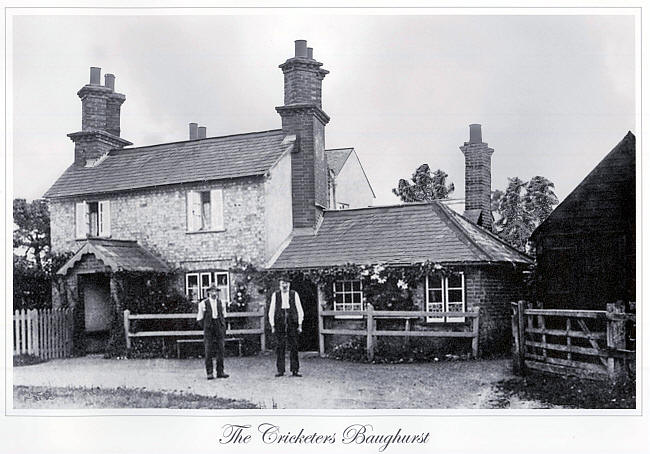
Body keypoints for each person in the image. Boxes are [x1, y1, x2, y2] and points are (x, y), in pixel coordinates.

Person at [268, 278, 304, 377]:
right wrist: (272, 325)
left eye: (286, 283)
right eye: (283, 283)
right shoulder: (275, 295)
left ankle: (295, 370)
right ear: (280, 284)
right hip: (279, 321)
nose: (285, 285)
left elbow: (299, 309)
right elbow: (271, 310)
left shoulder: (294, 294)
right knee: (280, 346)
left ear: (289, 284)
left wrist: (300, 324)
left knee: (294, 346)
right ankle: (280, 370)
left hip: (292, 321)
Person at [196, 284, 229, 380]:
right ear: (208, 292)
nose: (214, 293)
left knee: (221, 349)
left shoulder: (221, 303)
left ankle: (220, 371)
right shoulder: (203, 304)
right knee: (208, 350)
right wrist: (206, 326)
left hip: (219, 326)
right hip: (209, 328)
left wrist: (222, 327)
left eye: (215, 291)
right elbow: (199, 318)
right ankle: (209, 372)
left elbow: (224, 316)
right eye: (212, 291)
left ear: (217, 292)